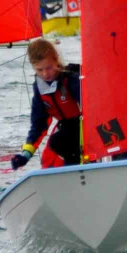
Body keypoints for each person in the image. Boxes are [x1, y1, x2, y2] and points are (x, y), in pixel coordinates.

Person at [10, 38, 81, 170]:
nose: (45, 74)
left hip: (87, 126)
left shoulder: (72, 79)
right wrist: (25, 155)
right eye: (39, 70)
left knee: (59, 141)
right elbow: (39, 125)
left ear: (56, 60)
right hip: (66, 128)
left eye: (49, 68)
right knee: (49, 160)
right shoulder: (39, 89)